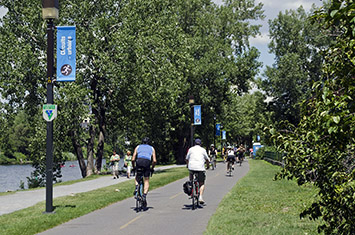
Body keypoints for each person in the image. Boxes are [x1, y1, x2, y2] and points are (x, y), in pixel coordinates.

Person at [132, 137, 157, 207]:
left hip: (139, 161)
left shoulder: (138, 147)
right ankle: (144, 195)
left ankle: (137, 187)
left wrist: (134, 167)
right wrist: (152, 168)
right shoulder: (152, 148)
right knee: (146, 180)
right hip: (147, 162)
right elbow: (154, 160)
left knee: (137, 177)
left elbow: (133, 159)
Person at [186, 138, 210, 204]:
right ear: (200, 144)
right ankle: (201, 197)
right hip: (200, 168)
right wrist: (208, 166)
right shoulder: (203, 150)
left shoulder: (191, 149)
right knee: (201, 182)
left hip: (191, 167)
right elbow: (207, 159)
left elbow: (187, 158)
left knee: (191, 173)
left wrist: (188, 165)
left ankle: (191, 183)